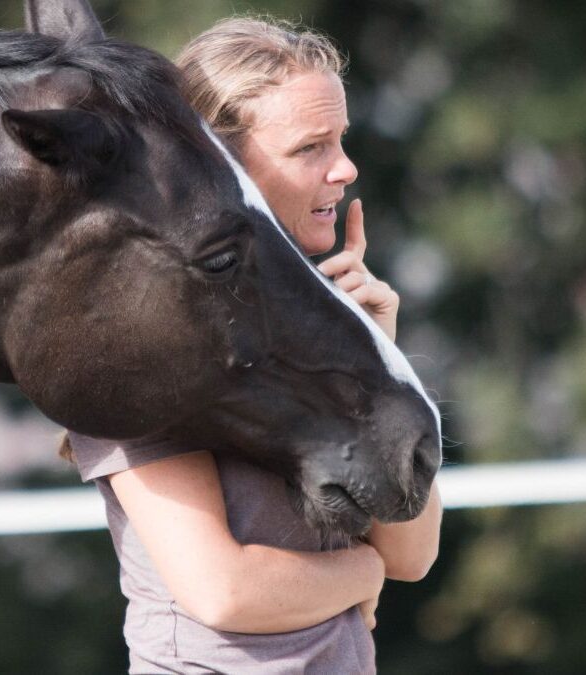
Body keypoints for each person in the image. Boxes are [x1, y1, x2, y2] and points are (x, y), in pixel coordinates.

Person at [64, 17, 442, 674]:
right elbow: (224, 590)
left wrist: (378, 357)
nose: (346, 168)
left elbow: (412, 554)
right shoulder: (136, 343)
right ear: (217, 162)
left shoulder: (333, 324)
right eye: (310, 148)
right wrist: (362, 572)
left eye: (341, 140)